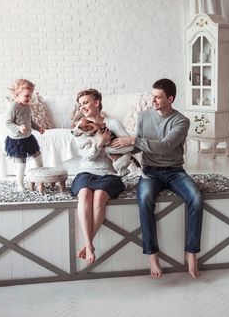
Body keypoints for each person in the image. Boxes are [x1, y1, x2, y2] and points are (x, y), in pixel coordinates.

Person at [111, 78, 203, 279]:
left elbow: (164, 146)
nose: (152, 100)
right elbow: (139, 146)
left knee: (196, 198)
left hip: (175, 170)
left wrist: (134, 140)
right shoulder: (144, 116)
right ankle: (152, 255)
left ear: (170, 98)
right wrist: (119, 148)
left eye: (157, 97)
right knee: (144, 200)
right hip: (150, 171)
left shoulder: (181, 121)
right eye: (152, 95)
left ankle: (192, 252)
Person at [71, 89, 128, 265]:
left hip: (108, 173)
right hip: (86, 170)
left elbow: (126, 142)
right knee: (84, 195)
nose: (83, 107)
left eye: (86, 102)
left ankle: (87, 245)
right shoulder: (79, 127)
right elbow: (86, 156)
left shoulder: (112, 123)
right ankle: (89, 245)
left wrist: (114, 146)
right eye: (81, 104)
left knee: (99, 198)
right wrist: (100, 144)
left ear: (96, 102)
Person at [5, 79, 45, 192]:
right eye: (27, 96)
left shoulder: (27, 106)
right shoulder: (14, 107)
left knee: (39, 158)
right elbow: (8, 122)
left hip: (28, 138)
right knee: (21, 165)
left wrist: (38, 128)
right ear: (17, 95)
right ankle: (20, 185)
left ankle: (41, 180)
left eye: (30, 96)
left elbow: (30, 121)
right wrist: (18, 128)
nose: (29, 98)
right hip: (17, 141)